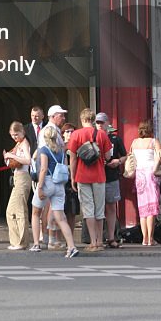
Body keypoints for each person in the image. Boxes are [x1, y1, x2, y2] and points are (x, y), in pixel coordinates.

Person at [30, 124, 78, 259]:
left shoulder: (43, 150)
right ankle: (71, 246)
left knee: (36, 212)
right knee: (61, 217)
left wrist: (39, 187)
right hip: (59, 185)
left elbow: (43, 169)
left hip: (47, 182)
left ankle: (36, 244)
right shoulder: (61, 151)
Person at [67, 108, 112, 252]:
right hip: (99, 175)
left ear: (82, 119)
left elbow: (73, 158)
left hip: (82, 175)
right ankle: (100, 241)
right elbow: (107, 156)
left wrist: (73, 177)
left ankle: (92, 242)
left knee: (88, 210)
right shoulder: (102, 134)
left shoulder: (76, 134)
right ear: (93, 120)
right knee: (99, 210)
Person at [128, 119, 161, 246]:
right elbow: (159, 156)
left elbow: (131, 157)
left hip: (139, 175)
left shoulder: (134, 142)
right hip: (151, 174)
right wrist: (156, 168)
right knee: (151, 209)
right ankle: (151, 238)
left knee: (143, 210)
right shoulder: (154, 142)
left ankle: (144, 238)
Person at [3, 121, 32, 250]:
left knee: (20, 210)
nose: (15, 137)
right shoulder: (18, 144)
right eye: (13, 135)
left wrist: (11, 155)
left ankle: (22, 242)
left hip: (23, 177)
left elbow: (28, 160)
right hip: (17, 176)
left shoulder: (24, 143)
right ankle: (16, 240)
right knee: (10, 211)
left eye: (17, 134)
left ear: (22, 132)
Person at [103, 123, 126, 247]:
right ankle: (96, 238)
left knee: (111, 207)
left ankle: (111, 237)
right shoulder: (94, 137)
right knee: (97, 209)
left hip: (112, 176)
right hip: (97, 176)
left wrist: (118, 161)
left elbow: (124, 156)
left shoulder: (115, 139)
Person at [61, 122, 79, 234]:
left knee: (72, 211)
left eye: (72, 131)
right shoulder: (60, 146)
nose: (70, 133)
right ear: (63, 133)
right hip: (62, 180)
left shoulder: (78, 146)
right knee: (60, 210)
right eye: (67, 131)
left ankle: (70, 237)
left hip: (74, 180)